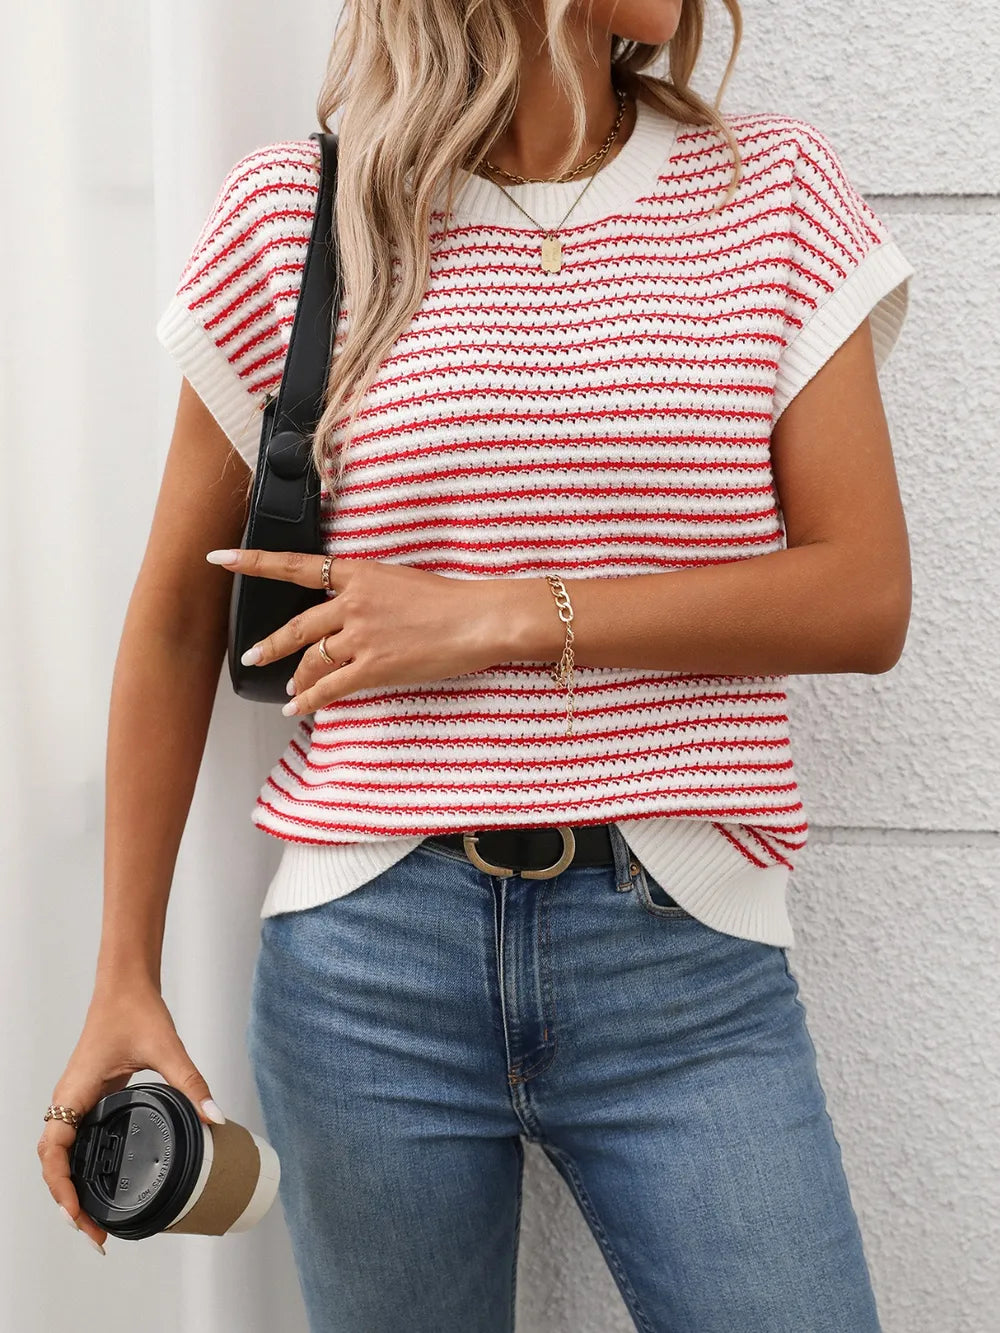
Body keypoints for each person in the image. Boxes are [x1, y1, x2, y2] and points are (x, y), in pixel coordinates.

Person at [39, 0, 914, 1328]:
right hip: (368, 970)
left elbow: (864, 597)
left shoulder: (773, 192)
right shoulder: (295, 216)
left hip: (682, 960)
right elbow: (172, 620)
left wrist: (502, 616)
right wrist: (122, 976)